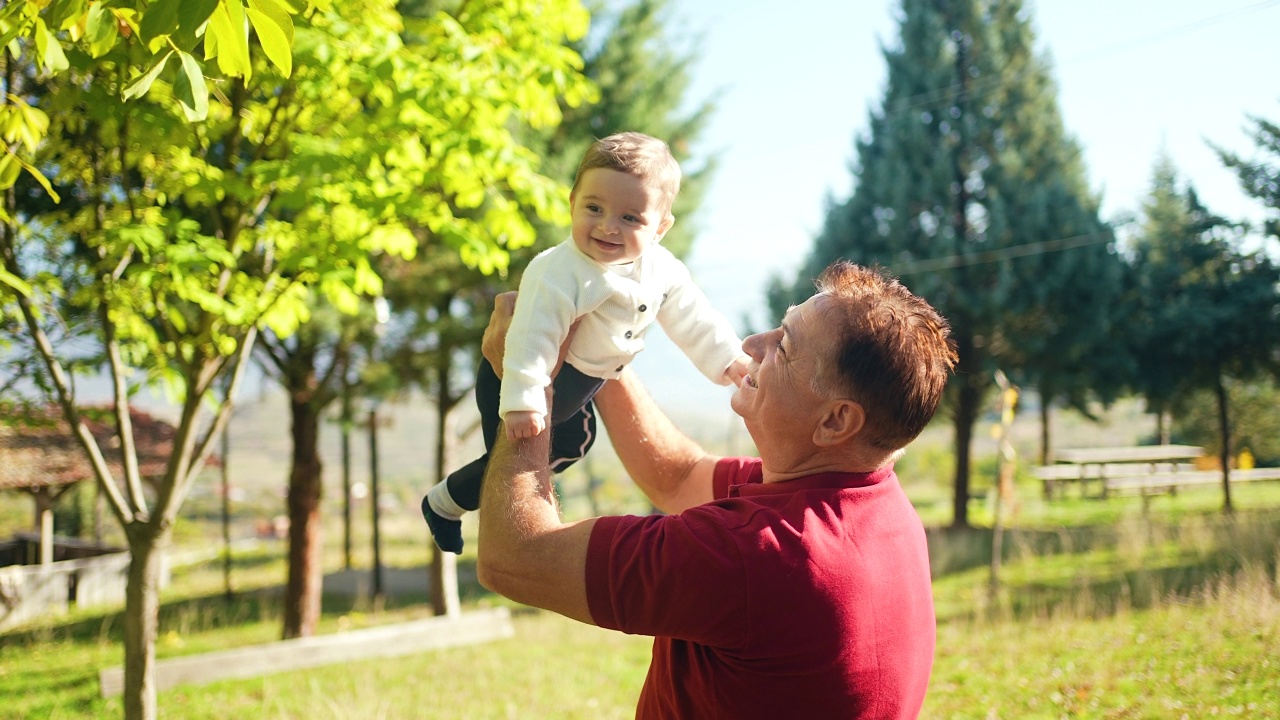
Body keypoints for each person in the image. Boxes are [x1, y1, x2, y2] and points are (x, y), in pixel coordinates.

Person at [476, 260, 958, 719]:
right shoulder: (866, 500)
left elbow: (513, 557)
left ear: (835, 421)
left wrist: (528, 380)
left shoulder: (758, 553)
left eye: (784, 347)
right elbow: (678, 476)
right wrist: (597, 351)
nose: (752, 343)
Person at [423, 132, 749, 553]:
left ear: (661, 227)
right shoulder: (559, 271)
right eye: (594, 208)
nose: (608, 226)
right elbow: (530, 338)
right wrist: (523, 397)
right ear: (572, 201)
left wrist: (728, 358)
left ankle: (444, 500)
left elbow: (693, 316)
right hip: (519, 375)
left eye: (631, 218)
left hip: (585, 380)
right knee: (513, 466)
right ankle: (456, 512)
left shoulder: (661, 269)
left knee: (574, 443)